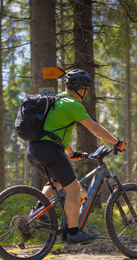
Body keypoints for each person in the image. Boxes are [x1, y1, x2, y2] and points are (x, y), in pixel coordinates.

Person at [26, 69, 126, 245]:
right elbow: (94, 128)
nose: (87, 92)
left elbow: (56, 134)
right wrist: (116, 142)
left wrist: (72, 154)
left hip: (34, 150)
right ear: (80, 88)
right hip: (50, 151)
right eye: (86, 88)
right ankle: (73, 232)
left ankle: (37, 213)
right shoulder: (73, 104)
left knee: (56, 182)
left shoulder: (57, 101)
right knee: (73, 188)